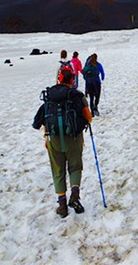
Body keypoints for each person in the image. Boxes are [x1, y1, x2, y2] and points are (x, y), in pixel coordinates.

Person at [33, 70, 92, 218]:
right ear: (72, 80)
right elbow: (88, 117)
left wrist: (46, 135)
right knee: (75, 167)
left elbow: (38, 121)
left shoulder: (49, 96)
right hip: (73, 138)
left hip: (53, 139)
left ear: (59, 79)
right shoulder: (77, 96)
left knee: (58, 171)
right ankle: (75, 197)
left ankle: (62, 206)